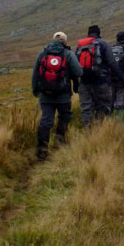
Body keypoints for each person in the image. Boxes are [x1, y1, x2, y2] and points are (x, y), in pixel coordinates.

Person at [32, 31, 83, 160]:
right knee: (64, 118)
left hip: (45, 95)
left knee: (46, 121)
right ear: (65, 41)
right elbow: (78, 71)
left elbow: (35, 74)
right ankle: (58, 145)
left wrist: (35, 90)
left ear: (52, 40)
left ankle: (41, 150)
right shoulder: (68, 54)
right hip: (63, 95)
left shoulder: (43, 53)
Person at [76, 24, 124, 127]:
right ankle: (102, 133)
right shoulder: (103, 44)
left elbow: (75, 65)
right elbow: (112, 63)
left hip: (84, 82)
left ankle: (87, 134)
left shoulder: (80, 45)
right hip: (102, 82)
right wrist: (123, 79)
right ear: (99, 33)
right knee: (103, 108)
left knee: (86, 110)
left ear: (88, 33)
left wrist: (75, 84)